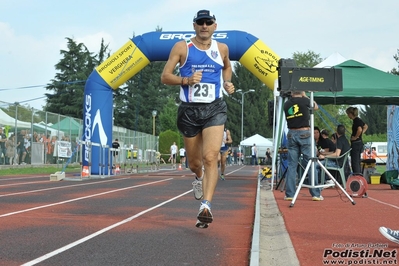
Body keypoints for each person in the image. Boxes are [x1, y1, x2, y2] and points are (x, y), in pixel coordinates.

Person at [161, 9, 235, 229]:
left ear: (214, 26)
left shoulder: (222, 48)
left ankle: (206, 206)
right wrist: (186, 80)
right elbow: (165, 76)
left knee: (211, 156)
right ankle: (199, 176)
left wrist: (227, 82)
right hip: (189, 111)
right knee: (195, 163)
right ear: (194, 26)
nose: (204, 26)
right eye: (200, 23)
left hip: (215, 108)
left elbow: (228, 66)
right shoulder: (182, 47)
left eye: (208, 22)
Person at [283, 90, 323, 201]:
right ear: (302, 92)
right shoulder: (305, 100)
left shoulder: (286, 104)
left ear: (291, 93)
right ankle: (315, 193)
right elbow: (315, 107)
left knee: (292, 165)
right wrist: (305, 96)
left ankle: (290, 193)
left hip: (291, 134)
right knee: (310, 163)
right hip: (304, 133)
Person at [346, 107, 368, 174]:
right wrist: (361, 134)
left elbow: (360, 129)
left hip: (356, 143)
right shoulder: (359, 120)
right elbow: (366, 126)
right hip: (359, 142)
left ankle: (357, 175)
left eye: (348, 114)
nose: (347, 115)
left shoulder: (356, 121)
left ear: (350, 114)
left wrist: (356, 136)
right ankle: (358, 174)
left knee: (355, 161)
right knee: (357, 160)